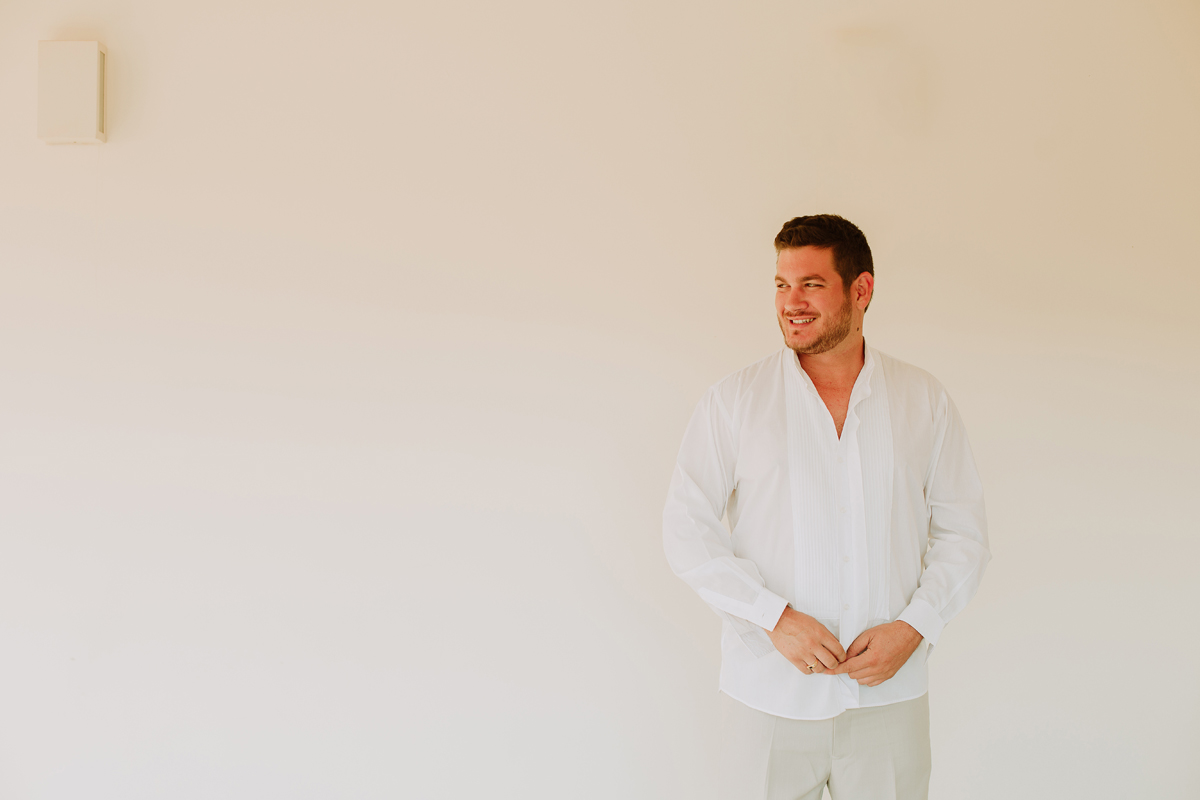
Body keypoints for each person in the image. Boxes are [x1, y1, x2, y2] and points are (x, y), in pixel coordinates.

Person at [662, 214, 990, 800]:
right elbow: (686, 530)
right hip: (768, 698)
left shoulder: (923, 401)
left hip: (889, 701)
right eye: (782, 285)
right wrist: (773, 618)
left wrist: (915, 626)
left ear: (861, 290)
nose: (792, 302)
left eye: (811, 284)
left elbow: (964, 534)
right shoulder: (734, 402)